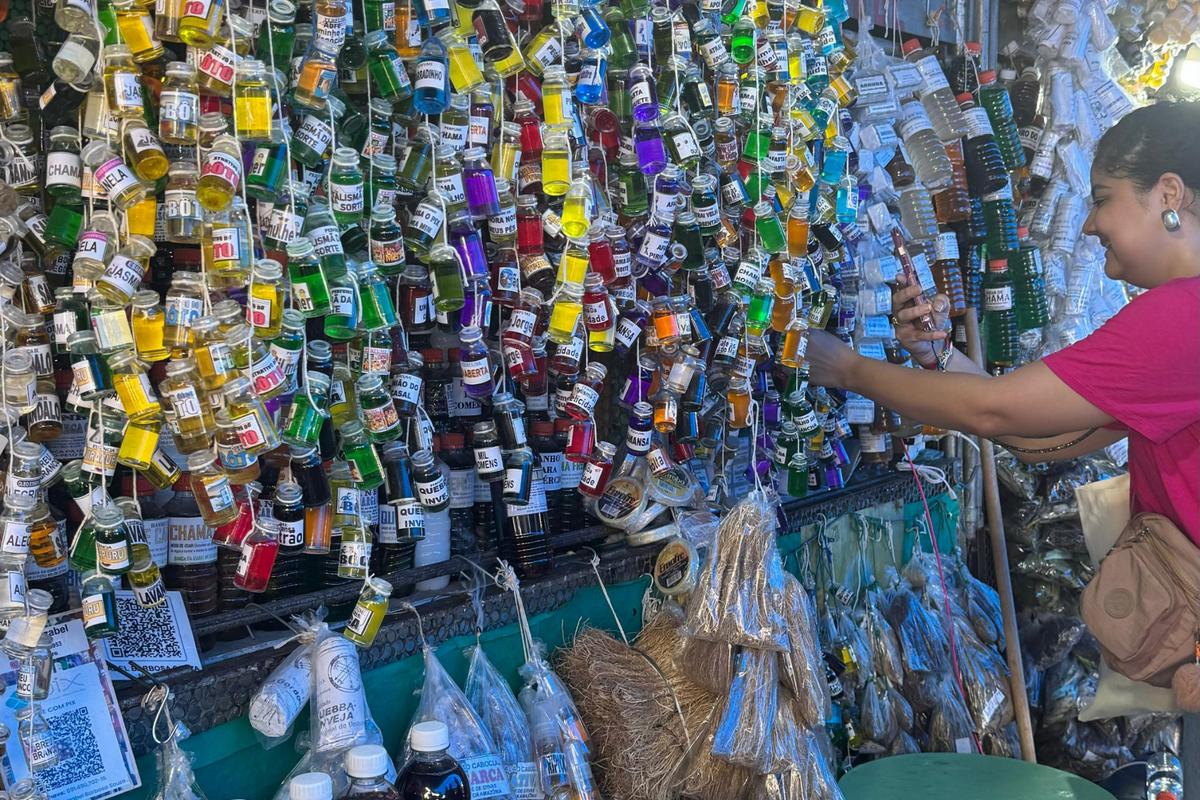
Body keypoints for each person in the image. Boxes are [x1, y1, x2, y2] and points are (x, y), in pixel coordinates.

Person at [804, 100, 1200, 708]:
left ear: (1168, 194)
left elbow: (999, 414)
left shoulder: (1181, 318)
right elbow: (1042, 438)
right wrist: (940, 360)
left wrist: (847, 367)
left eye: (1102, 198)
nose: (1090, 225)